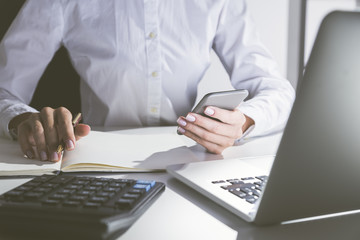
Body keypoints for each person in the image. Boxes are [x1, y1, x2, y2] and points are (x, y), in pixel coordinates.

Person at [0, 0, 295, 162]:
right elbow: (4, 90)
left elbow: (279, 91)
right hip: (97, 163)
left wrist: (243, 122)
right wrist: (22, 118)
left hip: (191, 162)